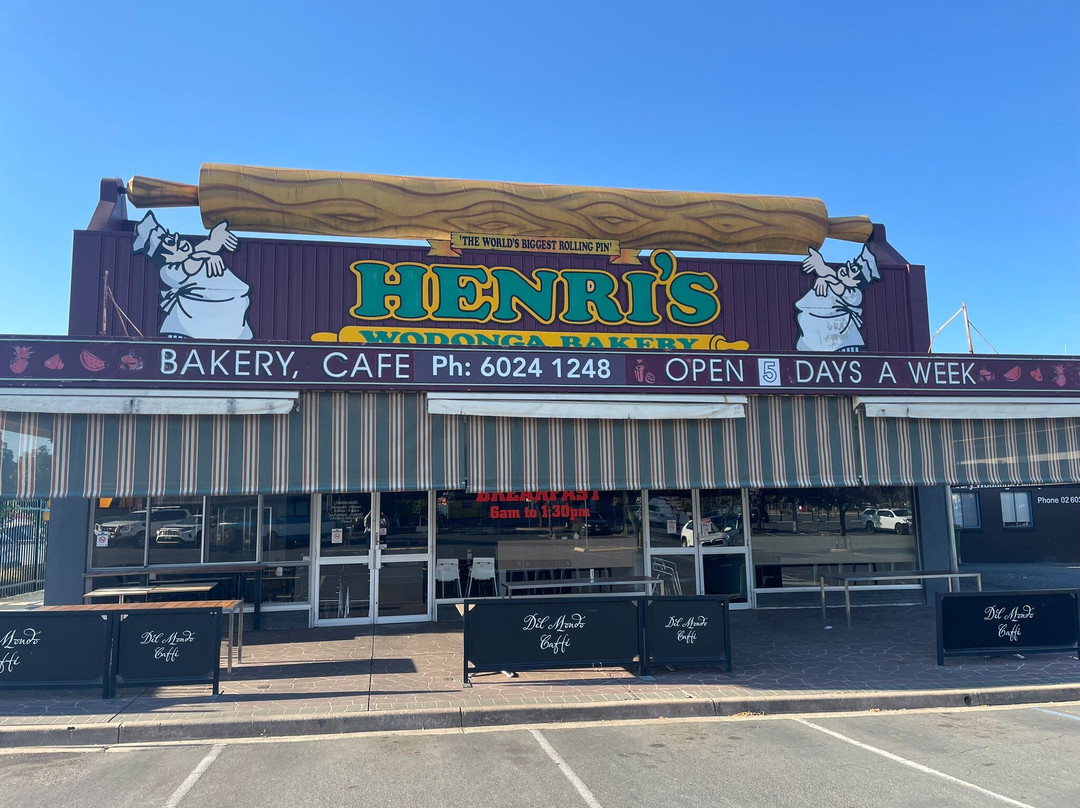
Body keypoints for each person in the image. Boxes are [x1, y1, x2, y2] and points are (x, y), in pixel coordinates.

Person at [131, 211, 253, 340]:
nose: (177, 237)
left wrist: (217, 236)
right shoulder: (168, 271)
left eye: (171, 235)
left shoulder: (193, 254)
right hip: (190, 331)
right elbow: (188, 267)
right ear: (164, 256)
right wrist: (204, 255)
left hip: (234, 327)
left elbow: (210, 244)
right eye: (169, 240)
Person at [794, 245, 879, 352]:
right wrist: (819, 263)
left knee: (845, 365)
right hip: (811, 342)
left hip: (842, 344)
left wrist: (827, 279)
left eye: (854, 269)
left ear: (857, 282)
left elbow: (840, 289)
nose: (847, 265)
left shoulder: (855, 294)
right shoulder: (837, 279)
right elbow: (825, 270)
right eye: (851, 263)